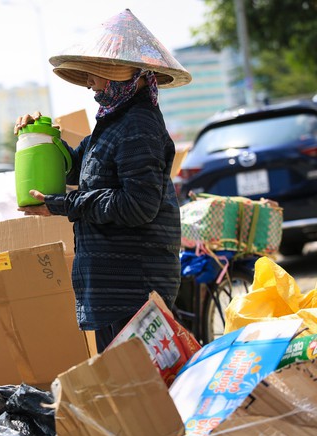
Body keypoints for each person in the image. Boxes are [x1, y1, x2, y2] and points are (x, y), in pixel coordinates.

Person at [14, 9, 192, 353]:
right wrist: (38, 136)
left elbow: (136, 206)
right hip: (115, 288)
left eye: (96, 75)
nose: (91, 85)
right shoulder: (113, 122)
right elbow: (74, 168)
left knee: (140, 394)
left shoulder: (138, 126)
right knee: (130, 392)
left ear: (133, 76)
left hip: (135, 287)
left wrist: (62, 206)